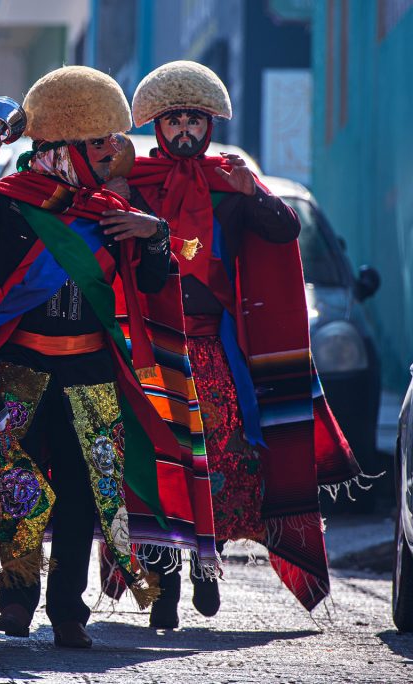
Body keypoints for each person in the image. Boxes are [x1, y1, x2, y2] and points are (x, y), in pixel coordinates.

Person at [0, 65, 193, 649]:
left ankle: (68, 611)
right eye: (99, 142)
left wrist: (154, 233)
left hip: (91, 372)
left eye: (110, 140)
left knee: (86, 493)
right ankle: (16, 599)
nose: (112, 151)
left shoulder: (112, 212)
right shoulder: (8, 204)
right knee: (19, 484)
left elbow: (155, 280)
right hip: (21, 370)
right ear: (64, 148)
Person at [124, 60, 362, 625]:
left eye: (194, 120)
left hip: (214, 351)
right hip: (152, 351)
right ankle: (165, 586)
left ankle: (207, 566)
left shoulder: (230, 183)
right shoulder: (135, 185)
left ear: (208, 125)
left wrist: (252, 192)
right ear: (158, 126)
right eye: (174, 120)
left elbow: (285, 230)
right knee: (159, 462)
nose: (184, 130)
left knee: (224, 462)